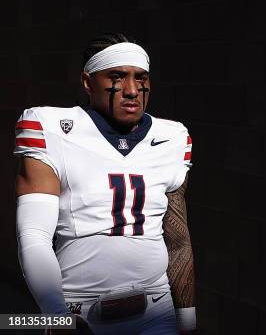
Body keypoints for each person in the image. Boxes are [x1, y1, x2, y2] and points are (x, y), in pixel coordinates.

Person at [14, 33, 197, 334]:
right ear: (88, 82)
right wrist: (55, 315)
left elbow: (178, 239)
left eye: (141, 78)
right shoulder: (51, 128)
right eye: (117, 77)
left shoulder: (173, 138)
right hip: (80, 313)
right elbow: (33, 235)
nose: (132, 90)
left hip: (156, 309)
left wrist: (187, 321)